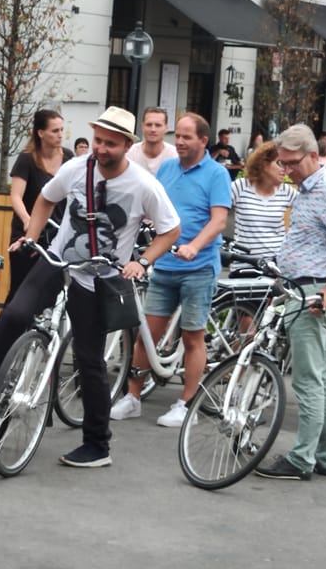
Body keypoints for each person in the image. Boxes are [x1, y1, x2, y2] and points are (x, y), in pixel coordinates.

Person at [0, 106, 180, 467]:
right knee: (14, 315)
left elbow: (171, 229)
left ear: (127, 145)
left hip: (98, 276)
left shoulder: (144, 185)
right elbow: (46, 199)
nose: (101, 148)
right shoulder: (75, 167)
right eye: (97, 140)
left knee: (89, 361)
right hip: (57, 259)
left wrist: (142, 261)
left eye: (110, 144)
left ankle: (97, 445)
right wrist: (32, 235)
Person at [255, 124, 326, 481]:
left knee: (307, 381)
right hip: (303, 287)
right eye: (283, 163)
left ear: (314, 156)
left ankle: (302, 459)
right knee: (318, 377)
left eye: (293, 163)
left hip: (312, 291)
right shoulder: (306, 189)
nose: (286, 170)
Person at [110, 112, 231, 427]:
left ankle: (185, 404)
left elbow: (219, 220)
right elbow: (149, 206)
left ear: (203, 141)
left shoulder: (217, 174)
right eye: (177, 136)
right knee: (146, 335)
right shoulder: (166, 168)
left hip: (199, 268)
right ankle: (133, 397)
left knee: (192, 338)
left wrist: (195, 245)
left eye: (186, 137)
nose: (179, 141)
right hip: (163, 265)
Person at [5, 109, 74, 303]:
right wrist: (28, 220)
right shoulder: (27, 159)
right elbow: (16, 196)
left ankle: (43, 332)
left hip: (56, 231)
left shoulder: (68, 158)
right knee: (20, 288)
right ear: (40, 133)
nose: (60, 135)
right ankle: (10, 330)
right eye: (54, 131)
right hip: (26, 230)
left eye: (61, 130)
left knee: (52, 290)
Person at [229, 142, 296, 273]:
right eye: (279, 163)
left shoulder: (286, 191)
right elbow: (216, 213)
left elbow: (309, 211)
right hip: (244, 265)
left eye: (286, 165)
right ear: (264, 164)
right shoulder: (241, 186)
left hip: (275, 267)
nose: (284, 169)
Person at [126, 106, 177, 174]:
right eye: (149, 125)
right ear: (142, 126)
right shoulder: (129, 154)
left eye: (158, 125)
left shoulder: (174, 156)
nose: (153, 129)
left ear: (166, 128)